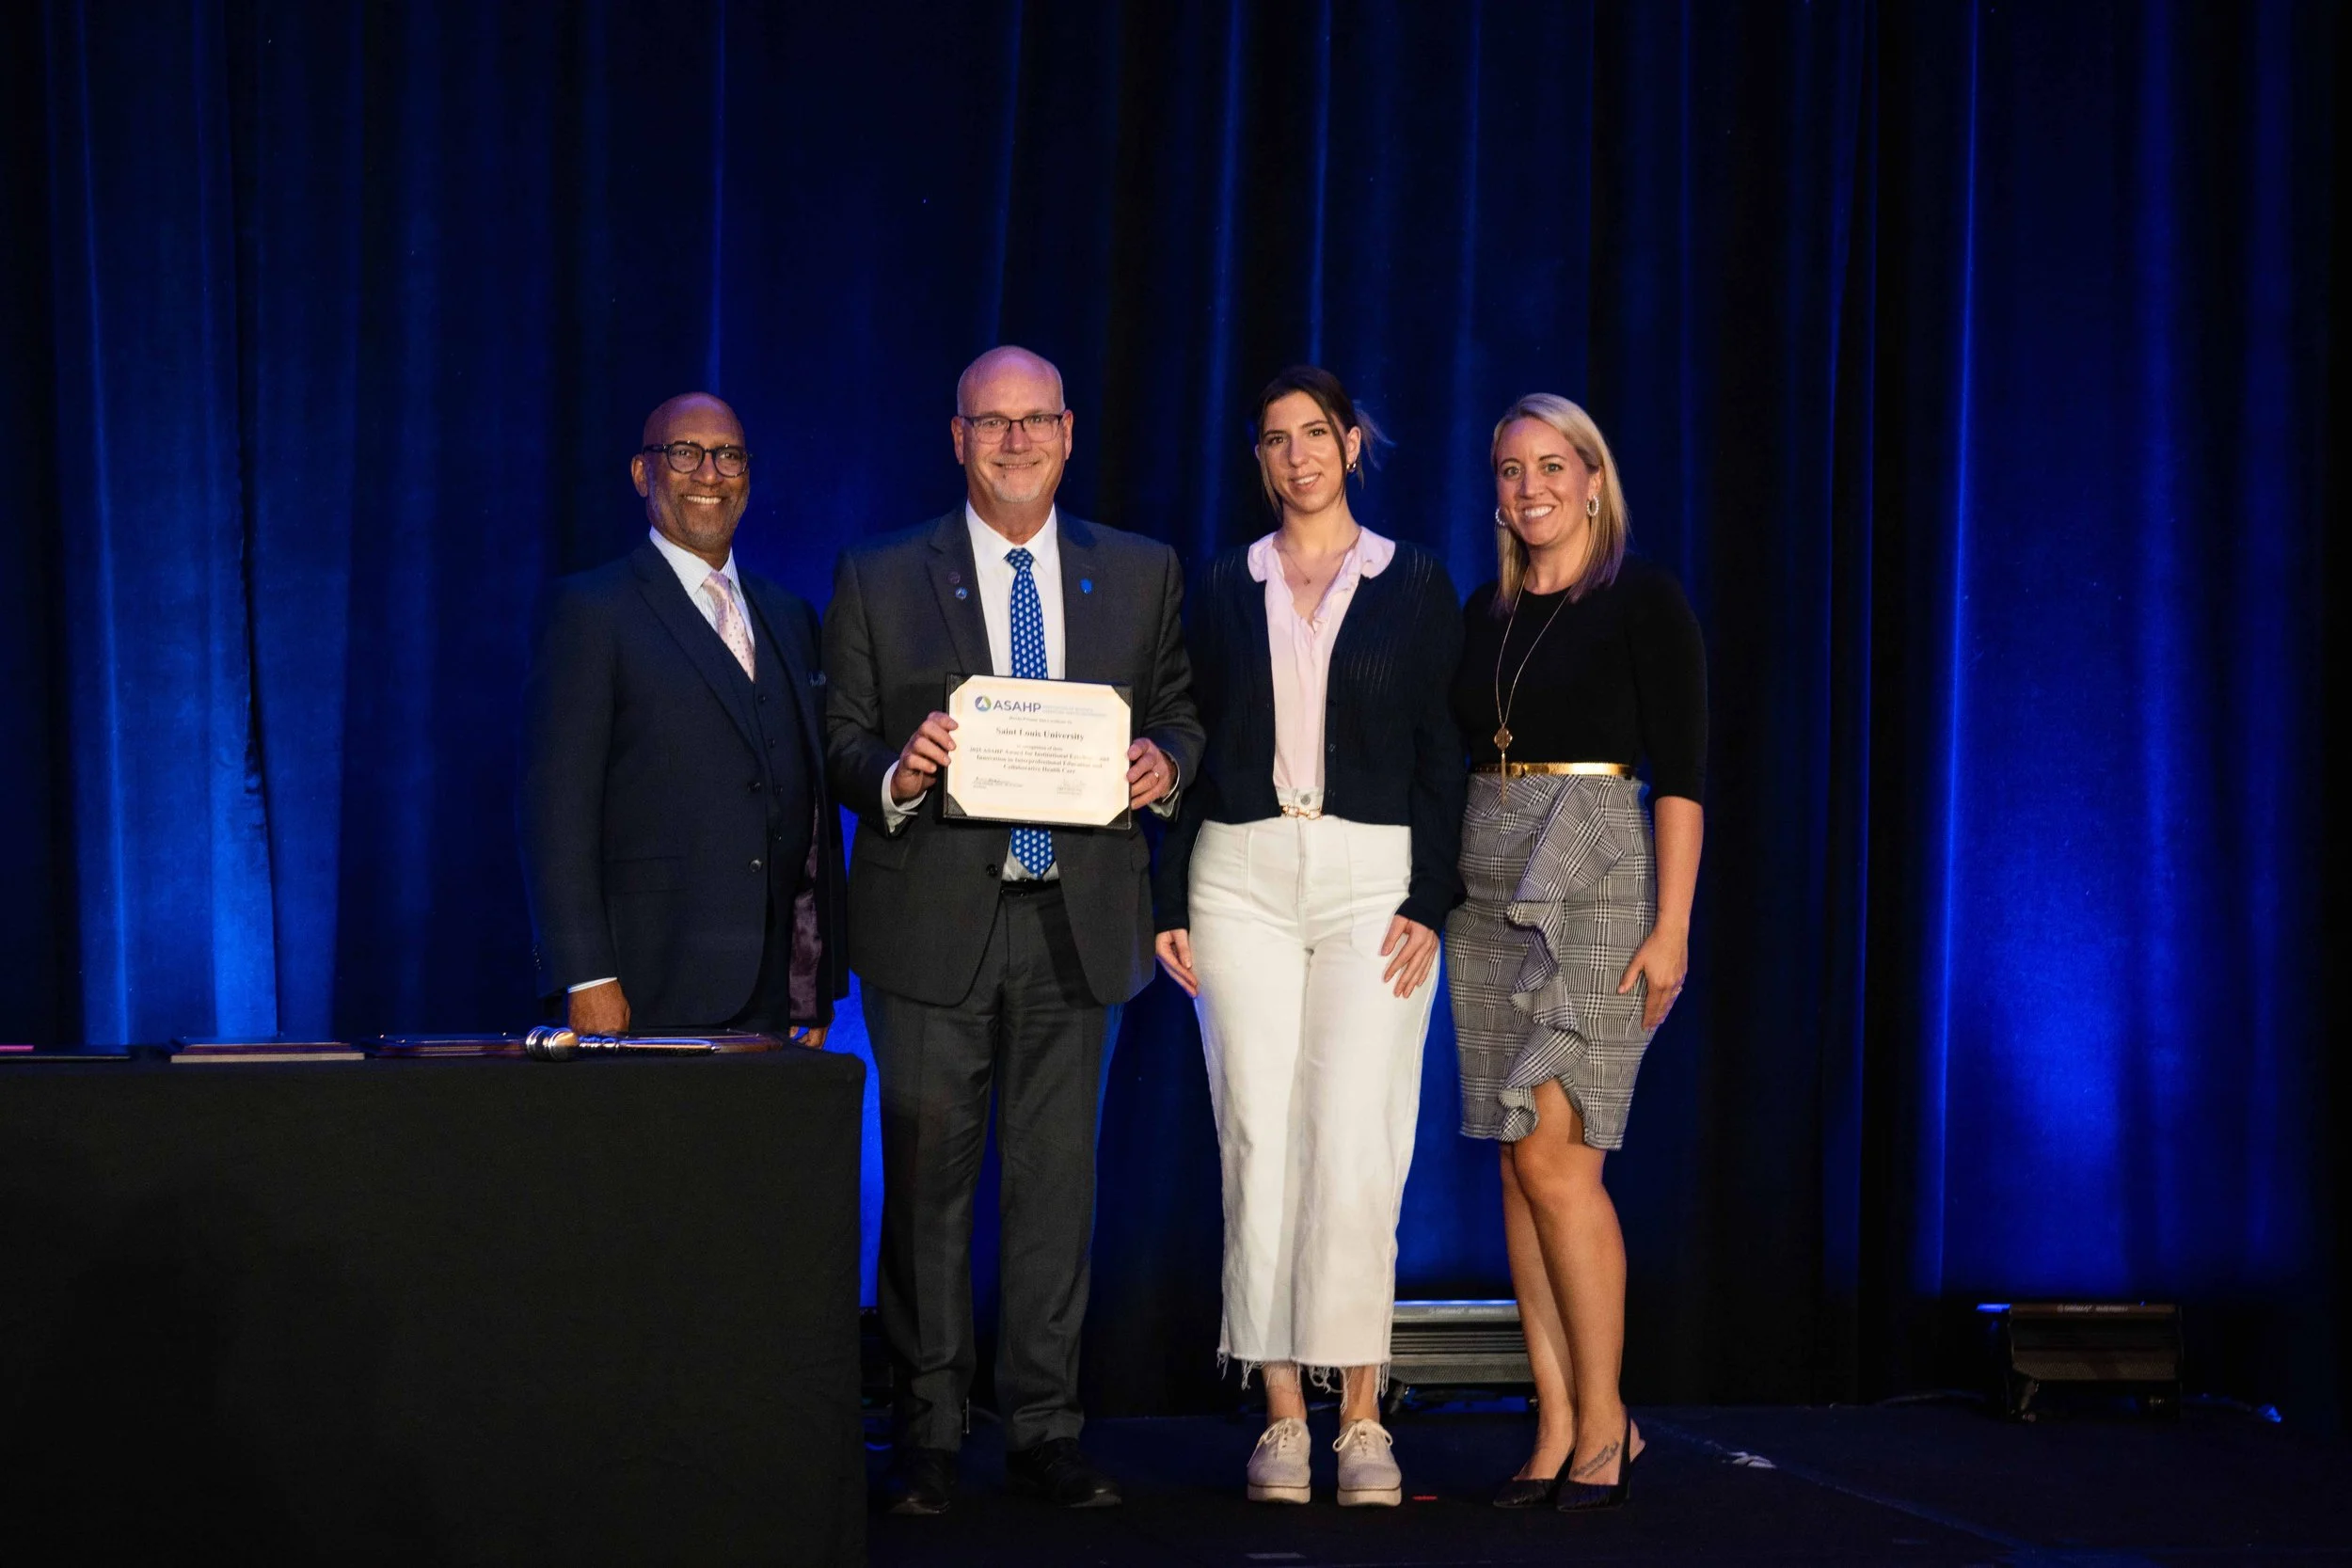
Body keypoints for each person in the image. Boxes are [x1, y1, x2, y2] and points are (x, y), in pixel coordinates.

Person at [824, 346, 1204, 1515]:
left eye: (1036, 419)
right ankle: (927, 1433)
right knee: (928, 1189)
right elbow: (838, 738)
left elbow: (1183, 708)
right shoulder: (881, 572)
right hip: (932, 923)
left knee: (1057, 1193)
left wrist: (1165, 762)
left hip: (1079, 926)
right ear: (956, 438)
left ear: (1070, 430)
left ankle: (1045, 1428)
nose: (1016, 440)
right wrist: (898, 767)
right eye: (992, 423)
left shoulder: (1137, 572)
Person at [1152, 367, 1465, 1508]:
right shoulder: (1222, 583)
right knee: (1256, 1130)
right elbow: (1182, 734)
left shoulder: (1414, 579)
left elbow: (1442, 745)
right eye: (1276, 440)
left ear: (1351, 442)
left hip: (1369, 877)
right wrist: (1163, 898)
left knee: (1356, 1139)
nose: (1298, 457)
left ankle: (1364, 1415)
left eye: (1315, 434)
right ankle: (1282, 1415)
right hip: (1235, 872)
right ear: (1261, 459)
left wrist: (1431, 894)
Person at [1445, 393, 1706, 1513]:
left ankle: (1609, 1422)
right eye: (1510, 469)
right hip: (1490, 879)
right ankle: (1552, 1422)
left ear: (1593, 478)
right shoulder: (1485, 609)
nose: (1530, 486)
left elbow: (1685, 772)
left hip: (1598, 871)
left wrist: (1673, 926)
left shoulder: (1642, 596)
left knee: (1562, 1157)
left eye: (1553, 465)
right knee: (1515, 1158)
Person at [519, 392, 847, 1042]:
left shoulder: (789, 616)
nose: (708, 473)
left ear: (748, 478)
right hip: (644, 990)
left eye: (728, 456)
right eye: (685, 453)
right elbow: (554, 812)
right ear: (643, 473)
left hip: (771, 999)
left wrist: (810, 983)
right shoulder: (591, 611)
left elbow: (809, 815)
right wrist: (585, 977)